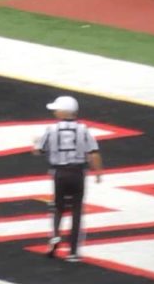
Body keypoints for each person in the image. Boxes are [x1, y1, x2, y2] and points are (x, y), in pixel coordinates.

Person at [33, 96, 103, 262]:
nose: (55, 112)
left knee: (58, 206)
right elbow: (94, 153)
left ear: (63, 111)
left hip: (59, 173)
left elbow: (39, 151)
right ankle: (73, 252)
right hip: (78, 173)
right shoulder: (83, 129)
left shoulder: (51, 129)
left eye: (57, 109)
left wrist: (35, 143)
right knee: (77, 210)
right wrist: (98, 173)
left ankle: (56, 235)